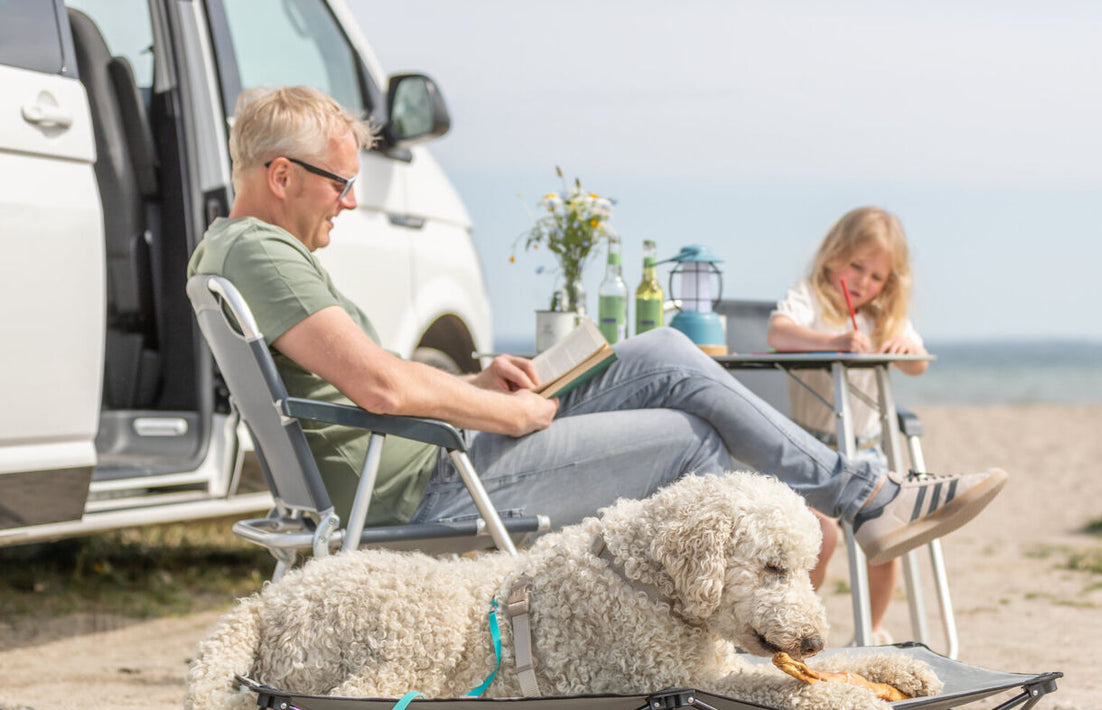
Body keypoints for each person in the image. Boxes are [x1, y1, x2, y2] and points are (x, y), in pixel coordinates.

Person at [187, 86, 1005, 578]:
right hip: (426, 478)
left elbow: (370, 376)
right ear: (282, 175)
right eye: (339, 183)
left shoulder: (239, 252)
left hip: (430, 449)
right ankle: (833, 526)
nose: (351, 200)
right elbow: (380, 386)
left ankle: (862, 496)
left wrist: (476, 383)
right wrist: (504, 411)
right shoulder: (262, 252)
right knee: (686, 436)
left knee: (663, 353)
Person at [768, 207, 1000, 640]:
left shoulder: (883, 316)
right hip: (811, 451)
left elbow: (917, 366)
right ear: (833, 255)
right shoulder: (810, 298)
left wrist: (904, 347)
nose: (863, 282)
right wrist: (833, 342)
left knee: (886, 541)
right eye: (856, 266)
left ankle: (871, 630)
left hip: (867, 450)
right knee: (820, 535)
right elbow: (778, 335)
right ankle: (792, 626)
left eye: (876, 276)